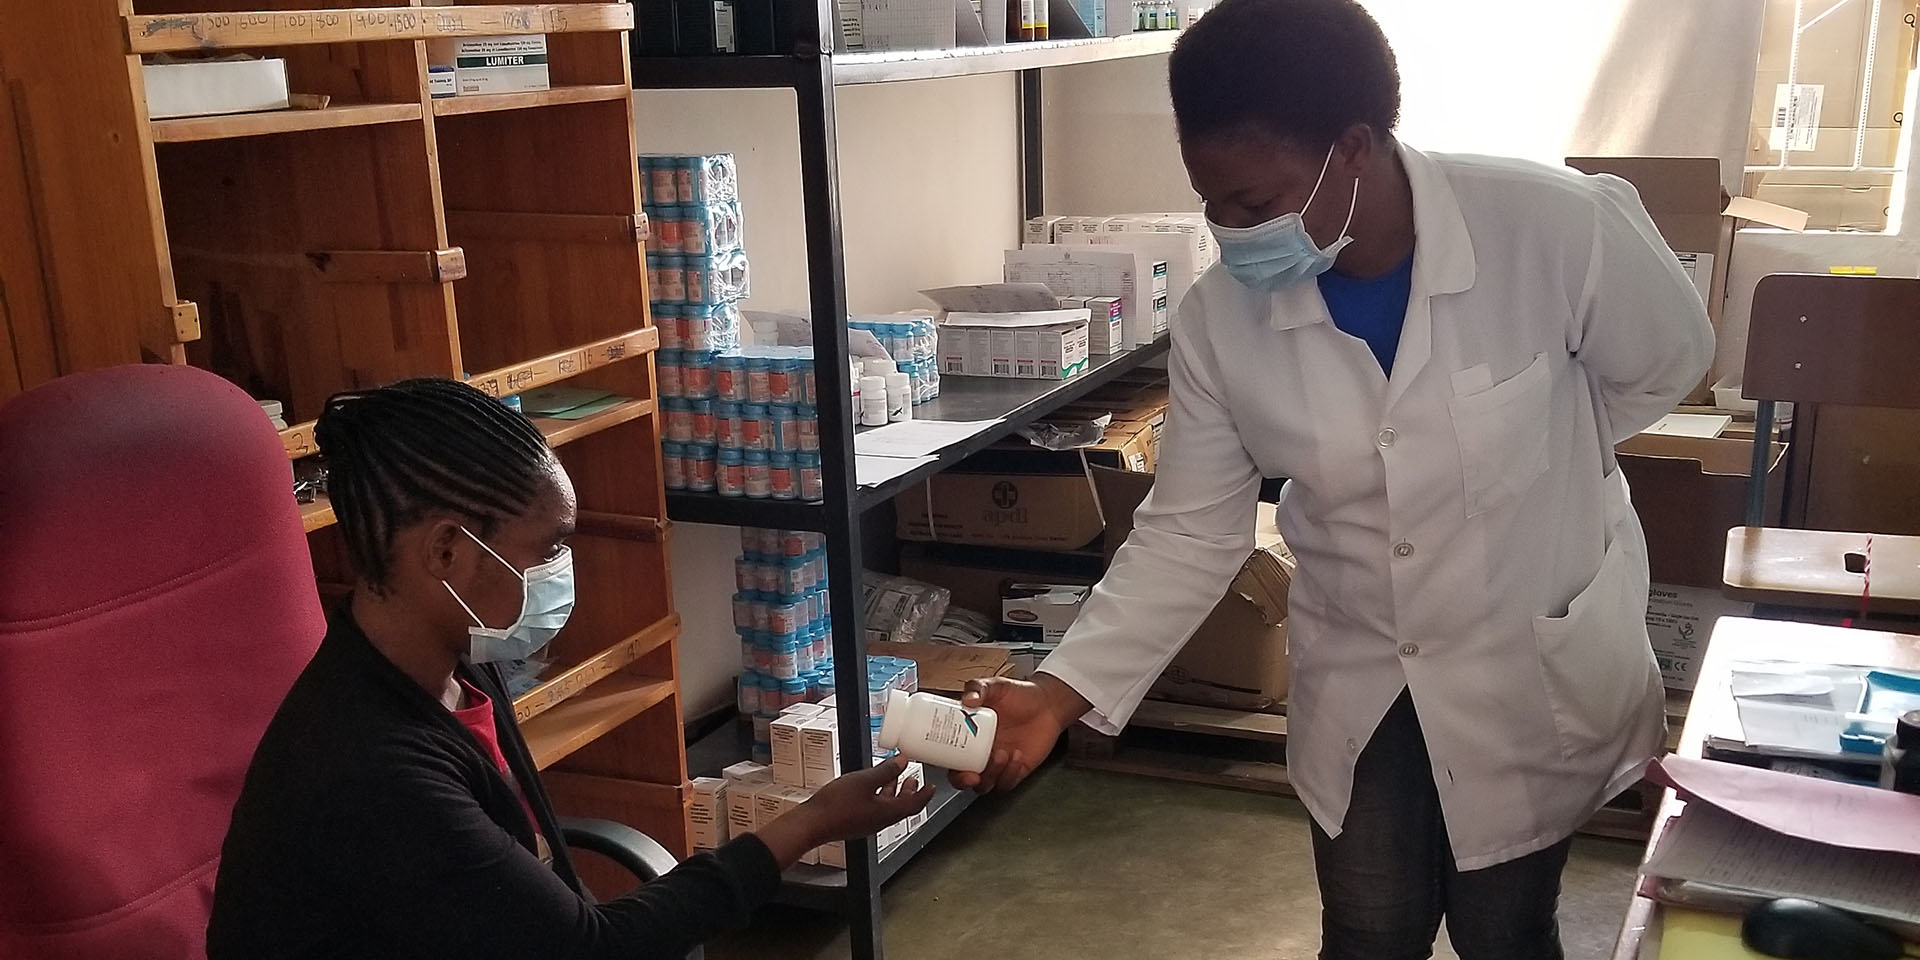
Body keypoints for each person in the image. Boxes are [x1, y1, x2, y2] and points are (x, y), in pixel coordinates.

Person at [953, 1, 1712, 958]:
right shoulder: (1218, 321)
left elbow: (1666, 361)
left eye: (1254, 204)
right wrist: (1060, 693)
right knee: (1368, 926)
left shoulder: (1552, 226)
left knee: (1506, 928)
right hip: (1363, 661)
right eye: (1210, 204)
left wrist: (1553, 454)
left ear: (1352, 147)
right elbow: (1190, 531)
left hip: (1528, 657)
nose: (1232, 235)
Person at [207, 378, 931, 960]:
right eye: (548, 547)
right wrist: (812, 821)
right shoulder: (368, 768)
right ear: (446, 554)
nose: (561, 570)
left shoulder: (454, 666)